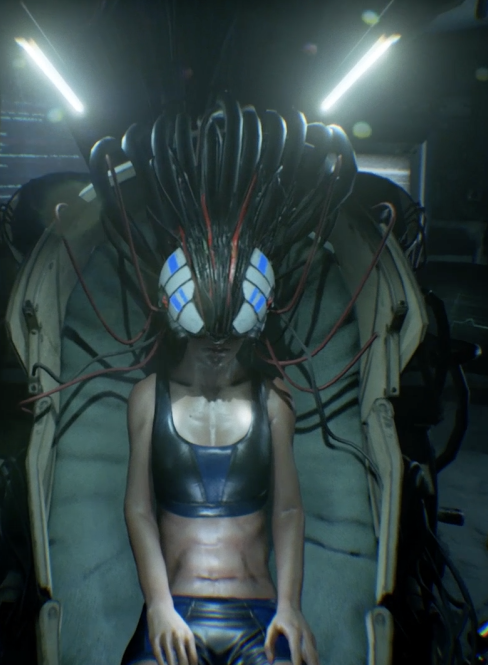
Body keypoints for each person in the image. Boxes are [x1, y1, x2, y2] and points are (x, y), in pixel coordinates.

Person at [87, 96, 356, 665]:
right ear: (174, 315)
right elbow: (139, 510)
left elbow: (288, 511)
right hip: (174, 616)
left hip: (259, 614)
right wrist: (158, 606)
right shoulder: (149, 398)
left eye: (229, 340)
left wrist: (291, 606)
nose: (217, 351)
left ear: (253, 324)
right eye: (205, 338)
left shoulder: (273, 400)